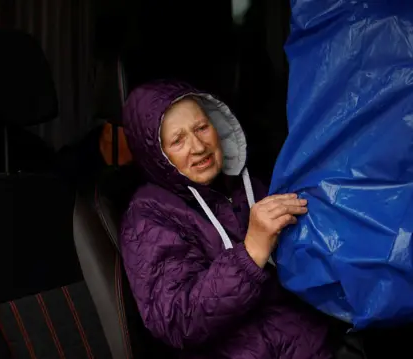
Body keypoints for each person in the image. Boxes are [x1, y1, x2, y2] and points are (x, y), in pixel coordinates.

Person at [119, 80, 334, 359]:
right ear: (157, 156)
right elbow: (177, 320)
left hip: (311, 339)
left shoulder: (247, 185)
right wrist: (251, 253)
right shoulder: (149, 219)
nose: (198, 146)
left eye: (201, 128)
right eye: (177, 140)